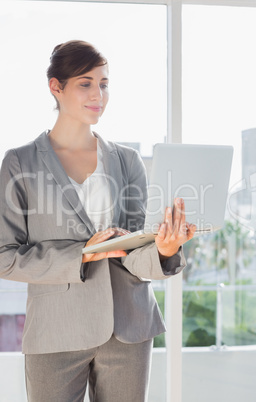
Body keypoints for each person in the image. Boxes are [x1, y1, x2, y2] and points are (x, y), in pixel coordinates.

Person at [0, 40, 196, 402]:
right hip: (56, 330)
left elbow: (136, 252)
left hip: (128, 328)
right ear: (55, 87)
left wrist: (165, 249)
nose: (99, 95)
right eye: (85, 83)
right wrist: (82, 254)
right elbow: (5, 256)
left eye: (104, 84)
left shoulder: (127, 160)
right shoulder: (20, 163)